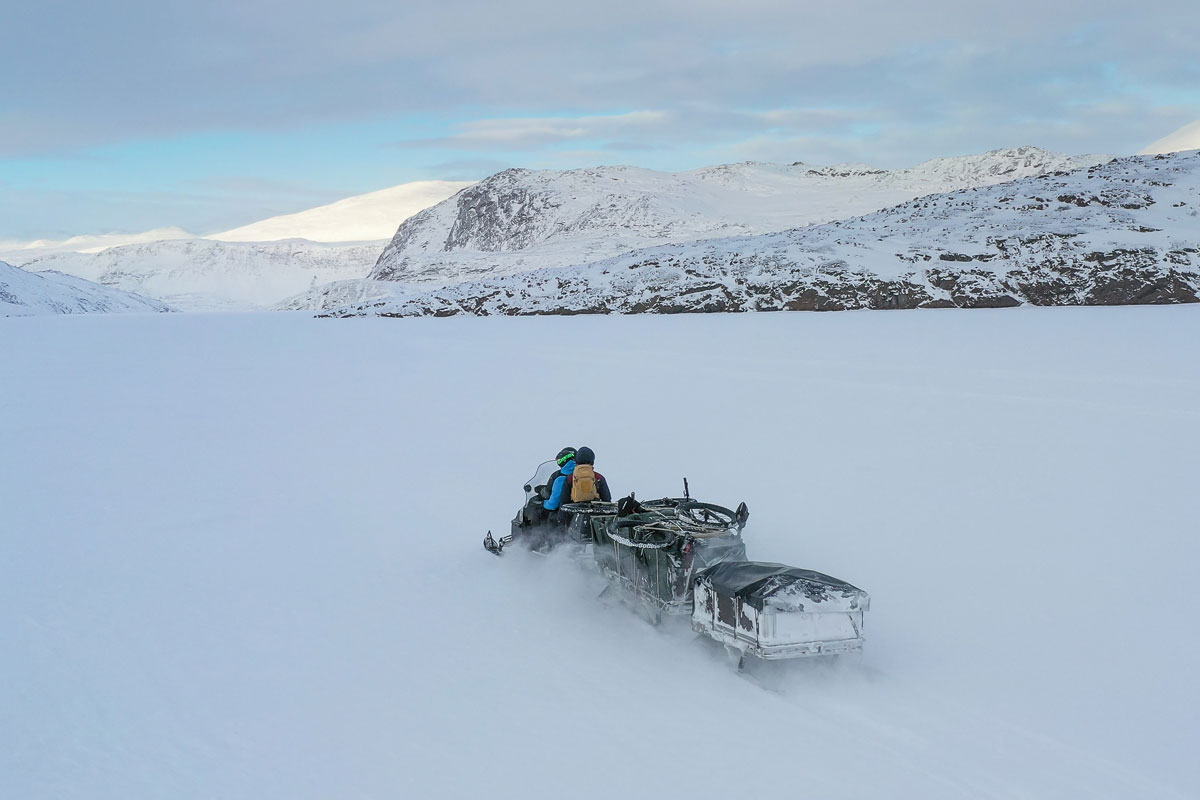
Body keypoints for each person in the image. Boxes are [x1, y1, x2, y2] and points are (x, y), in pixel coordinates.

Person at [544, 445, 611, 514]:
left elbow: (564, 503)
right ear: (592, 461)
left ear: (577, 461)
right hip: (594, 516)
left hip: (573, 517)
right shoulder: (599, 477)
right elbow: (607, 500)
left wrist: (561, 521)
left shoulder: (570, 478)